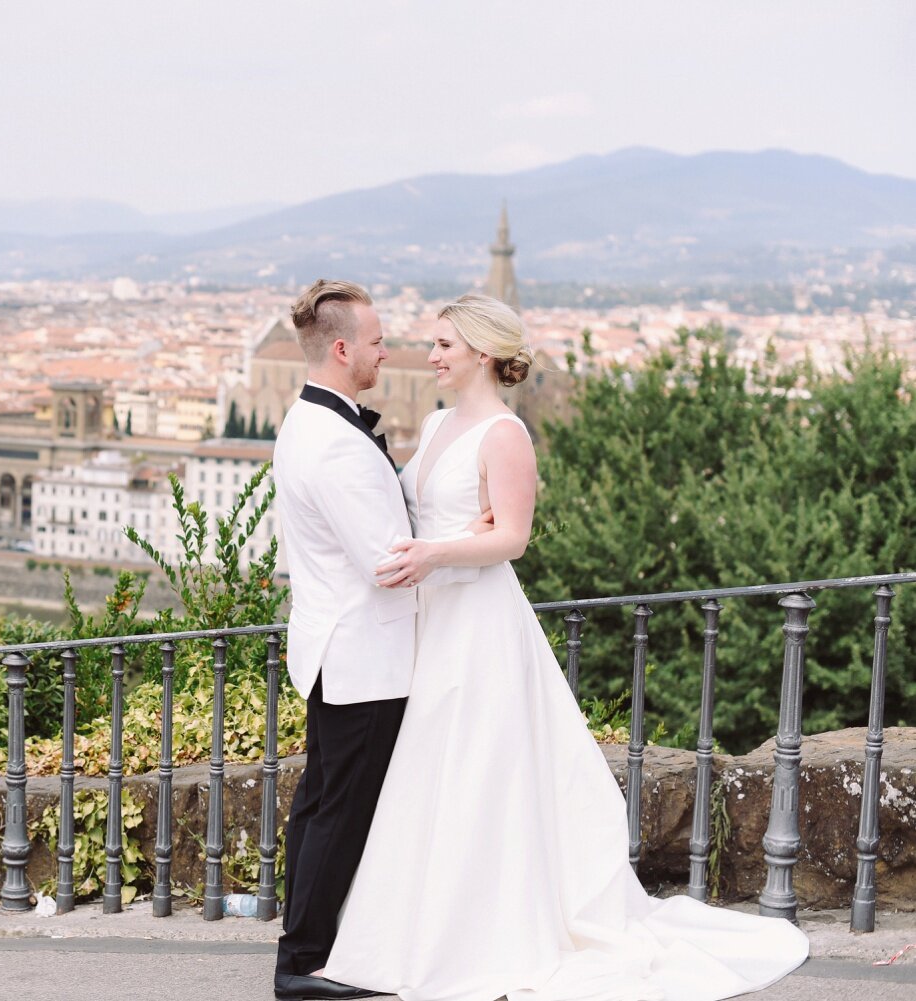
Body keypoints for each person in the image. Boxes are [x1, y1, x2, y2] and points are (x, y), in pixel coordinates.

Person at [319, 294, 809, 1001]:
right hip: (434, 617)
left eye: (444, 344)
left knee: (480, 772)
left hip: (478, 621)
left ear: (482, 353)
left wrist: (441, 551)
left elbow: (511, 538)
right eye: (432, 343)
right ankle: (418, 930)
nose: (430, 355)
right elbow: (422, 508)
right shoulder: (434, 424)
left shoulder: (505, 433)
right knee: (433, 772)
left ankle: (478, 934)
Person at [269, 279, 426, 1001]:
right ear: (341, 348)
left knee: (320, 804)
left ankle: (305, 948)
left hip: (337, 647)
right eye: (374, 340)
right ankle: (303, 962)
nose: (384, 350)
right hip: (366, 655)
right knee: (341, 809)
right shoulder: (334, 444)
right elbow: (386, 562)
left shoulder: (309, 423)